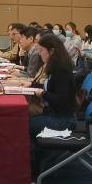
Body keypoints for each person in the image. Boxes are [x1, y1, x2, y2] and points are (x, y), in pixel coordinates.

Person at [27, 34, 77, 168]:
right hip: (55, 114)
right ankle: (39, 158)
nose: (39, 54)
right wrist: (35, 87)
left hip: (63, 120)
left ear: (52, 51)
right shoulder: (55, 66)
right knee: (25, 119)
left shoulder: (61, 69)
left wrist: (43, 94)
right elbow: (51, 88)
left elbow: (60, 100)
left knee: (23, 123)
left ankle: (35, 164)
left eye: (41, 50)